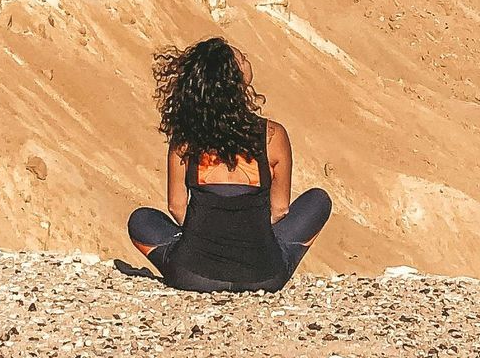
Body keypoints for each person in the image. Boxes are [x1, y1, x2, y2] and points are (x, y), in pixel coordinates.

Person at [126, 38, 331, 293]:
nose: (246, 57)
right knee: (318, 201)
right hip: (264, 277)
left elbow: (176, 206)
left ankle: (195, 259)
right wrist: (244, 230)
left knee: (142, 220)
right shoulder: (273, 135)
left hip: (193, 275)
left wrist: (213, 235)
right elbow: (279, 209)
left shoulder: (185, 140)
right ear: (233, 80)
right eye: (241, 59)